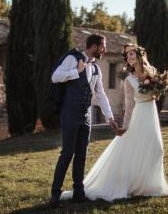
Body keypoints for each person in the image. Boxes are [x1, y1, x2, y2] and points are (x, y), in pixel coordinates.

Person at [60, 43, 168, 202]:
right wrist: (125, 125)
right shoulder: (129, 80)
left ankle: (150, 185)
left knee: (156, 149)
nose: (130, 57)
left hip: (151, 114)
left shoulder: (152, 74)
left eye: (133, 53)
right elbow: (130, 104)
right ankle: (134, 184)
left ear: (139, 56)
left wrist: (157, 89)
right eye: (128, 55)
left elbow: (157, 96)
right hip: (139, 115)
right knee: (137, 150)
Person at [50, 34, 119, 208]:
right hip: (70, 113)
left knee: (81, 155)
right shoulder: (73, 58)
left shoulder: (96, 68)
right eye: (103, 46)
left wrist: (109, 117)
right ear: (94, 46)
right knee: (67, 154)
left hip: (86, 116)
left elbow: (101, 94)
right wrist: (77, 72)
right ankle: (55, 196)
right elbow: (55, 76)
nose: (105, 49)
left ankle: (78, 194)